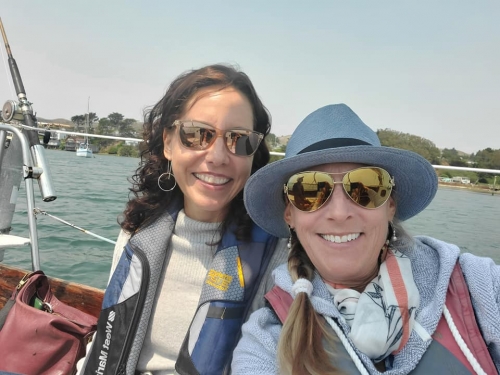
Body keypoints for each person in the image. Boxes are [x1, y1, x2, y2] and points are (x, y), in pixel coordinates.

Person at [232, 104, 500, 374]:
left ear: (390, 205)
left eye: (366, 187)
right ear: (290, 214)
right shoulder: (267, 338)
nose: (339, 213)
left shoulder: (478, 286)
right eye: (309, 190)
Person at [78, 64, 288, 375]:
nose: (217, 156)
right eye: (197, 134)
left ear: (253, 154)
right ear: (168, 142)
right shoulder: (138, 233)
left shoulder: (277, 256)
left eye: (239, 139)